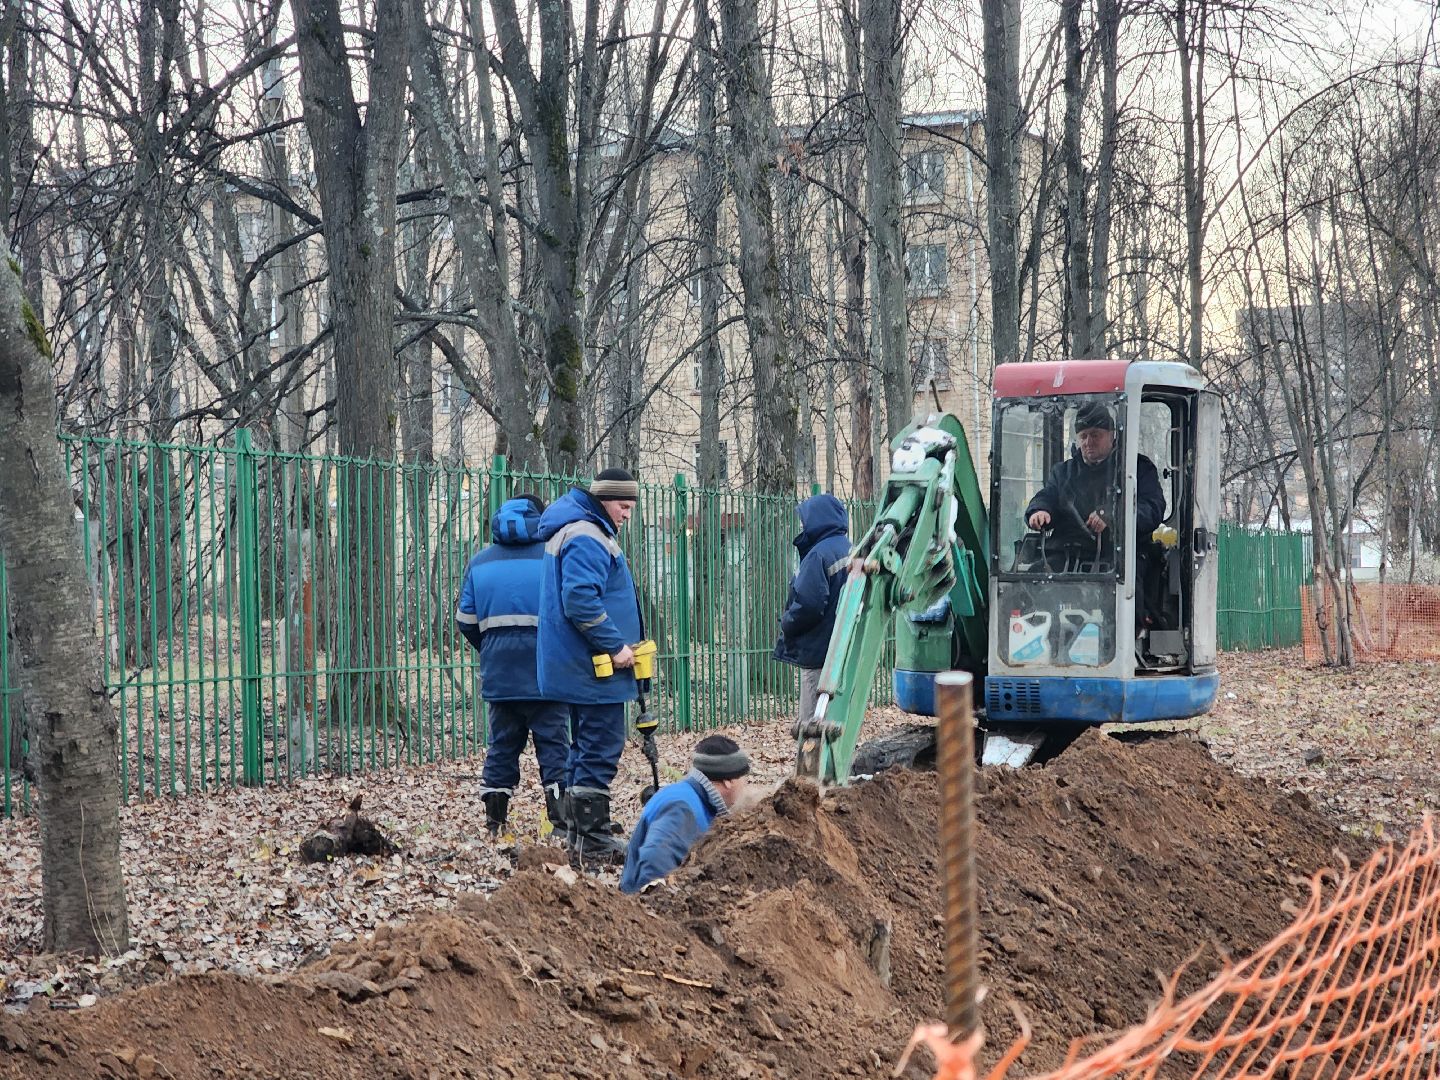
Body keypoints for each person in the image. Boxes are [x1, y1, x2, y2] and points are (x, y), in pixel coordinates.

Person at [536, 467, 644, 866]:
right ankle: (592, 839)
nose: (627, 514)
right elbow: (580, 600)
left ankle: (577, 831)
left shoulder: (577, 528)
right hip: (593, 666)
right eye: (623, 505)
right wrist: (615, 645)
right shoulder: (587, 535)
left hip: (577, 666)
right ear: (604, 500)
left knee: (583, 745)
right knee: (600, 744)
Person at [455, 494, 569, 838]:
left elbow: (466, 620)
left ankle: (495, 822)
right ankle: (561, 822)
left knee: (502, 746)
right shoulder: (553, 557)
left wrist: (490, 648)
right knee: (554, 746)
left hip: (500, 673)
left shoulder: (479, 562)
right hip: (547, 674)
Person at [1024, 402, 1165, 559]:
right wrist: (1039, 511)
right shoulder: (1063, 472)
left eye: (1095, 435)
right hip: (1067, 554)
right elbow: (1048, 496)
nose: (1088, 442)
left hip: (1123, 556)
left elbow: (1153, 508)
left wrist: (1112, 515)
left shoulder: (1137, 468)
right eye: (1083, 436)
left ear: (1112, 435)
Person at [619, 735, 751, 894]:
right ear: (729, 781)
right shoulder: (682, 807)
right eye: (745, 778)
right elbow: (654, 867)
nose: (746, 785)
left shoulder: (696, 800)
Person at [773, 493, 850, 732]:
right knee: (836, 721)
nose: (803, 526)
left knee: (811, 728)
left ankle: (811, 770)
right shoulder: (850, 549)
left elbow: (809, 604)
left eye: (805, 520)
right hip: (842, 649)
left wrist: (787, 622)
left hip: (818, 653)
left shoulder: (818, 555)